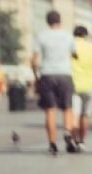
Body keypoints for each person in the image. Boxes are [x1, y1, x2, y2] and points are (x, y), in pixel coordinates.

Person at [32, 10, 79, 155]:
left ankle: (52, 144)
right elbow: (74, 54)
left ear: (47, 22)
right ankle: (67, 133)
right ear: (60, 21)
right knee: (67, 108)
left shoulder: (41, 36)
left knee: (50, 110)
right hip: (64, 74)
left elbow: (34, 60)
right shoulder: (68, 36)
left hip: (47, 74)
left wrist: (36, 76)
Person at [70, 25, 92, 149]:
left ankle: (74, 139)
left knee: (74, 114)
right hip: (89, 85)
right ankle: (81, 141)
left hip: (72, 85)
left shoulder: (70, 47)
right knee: (85, 115)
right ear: (86, 35)